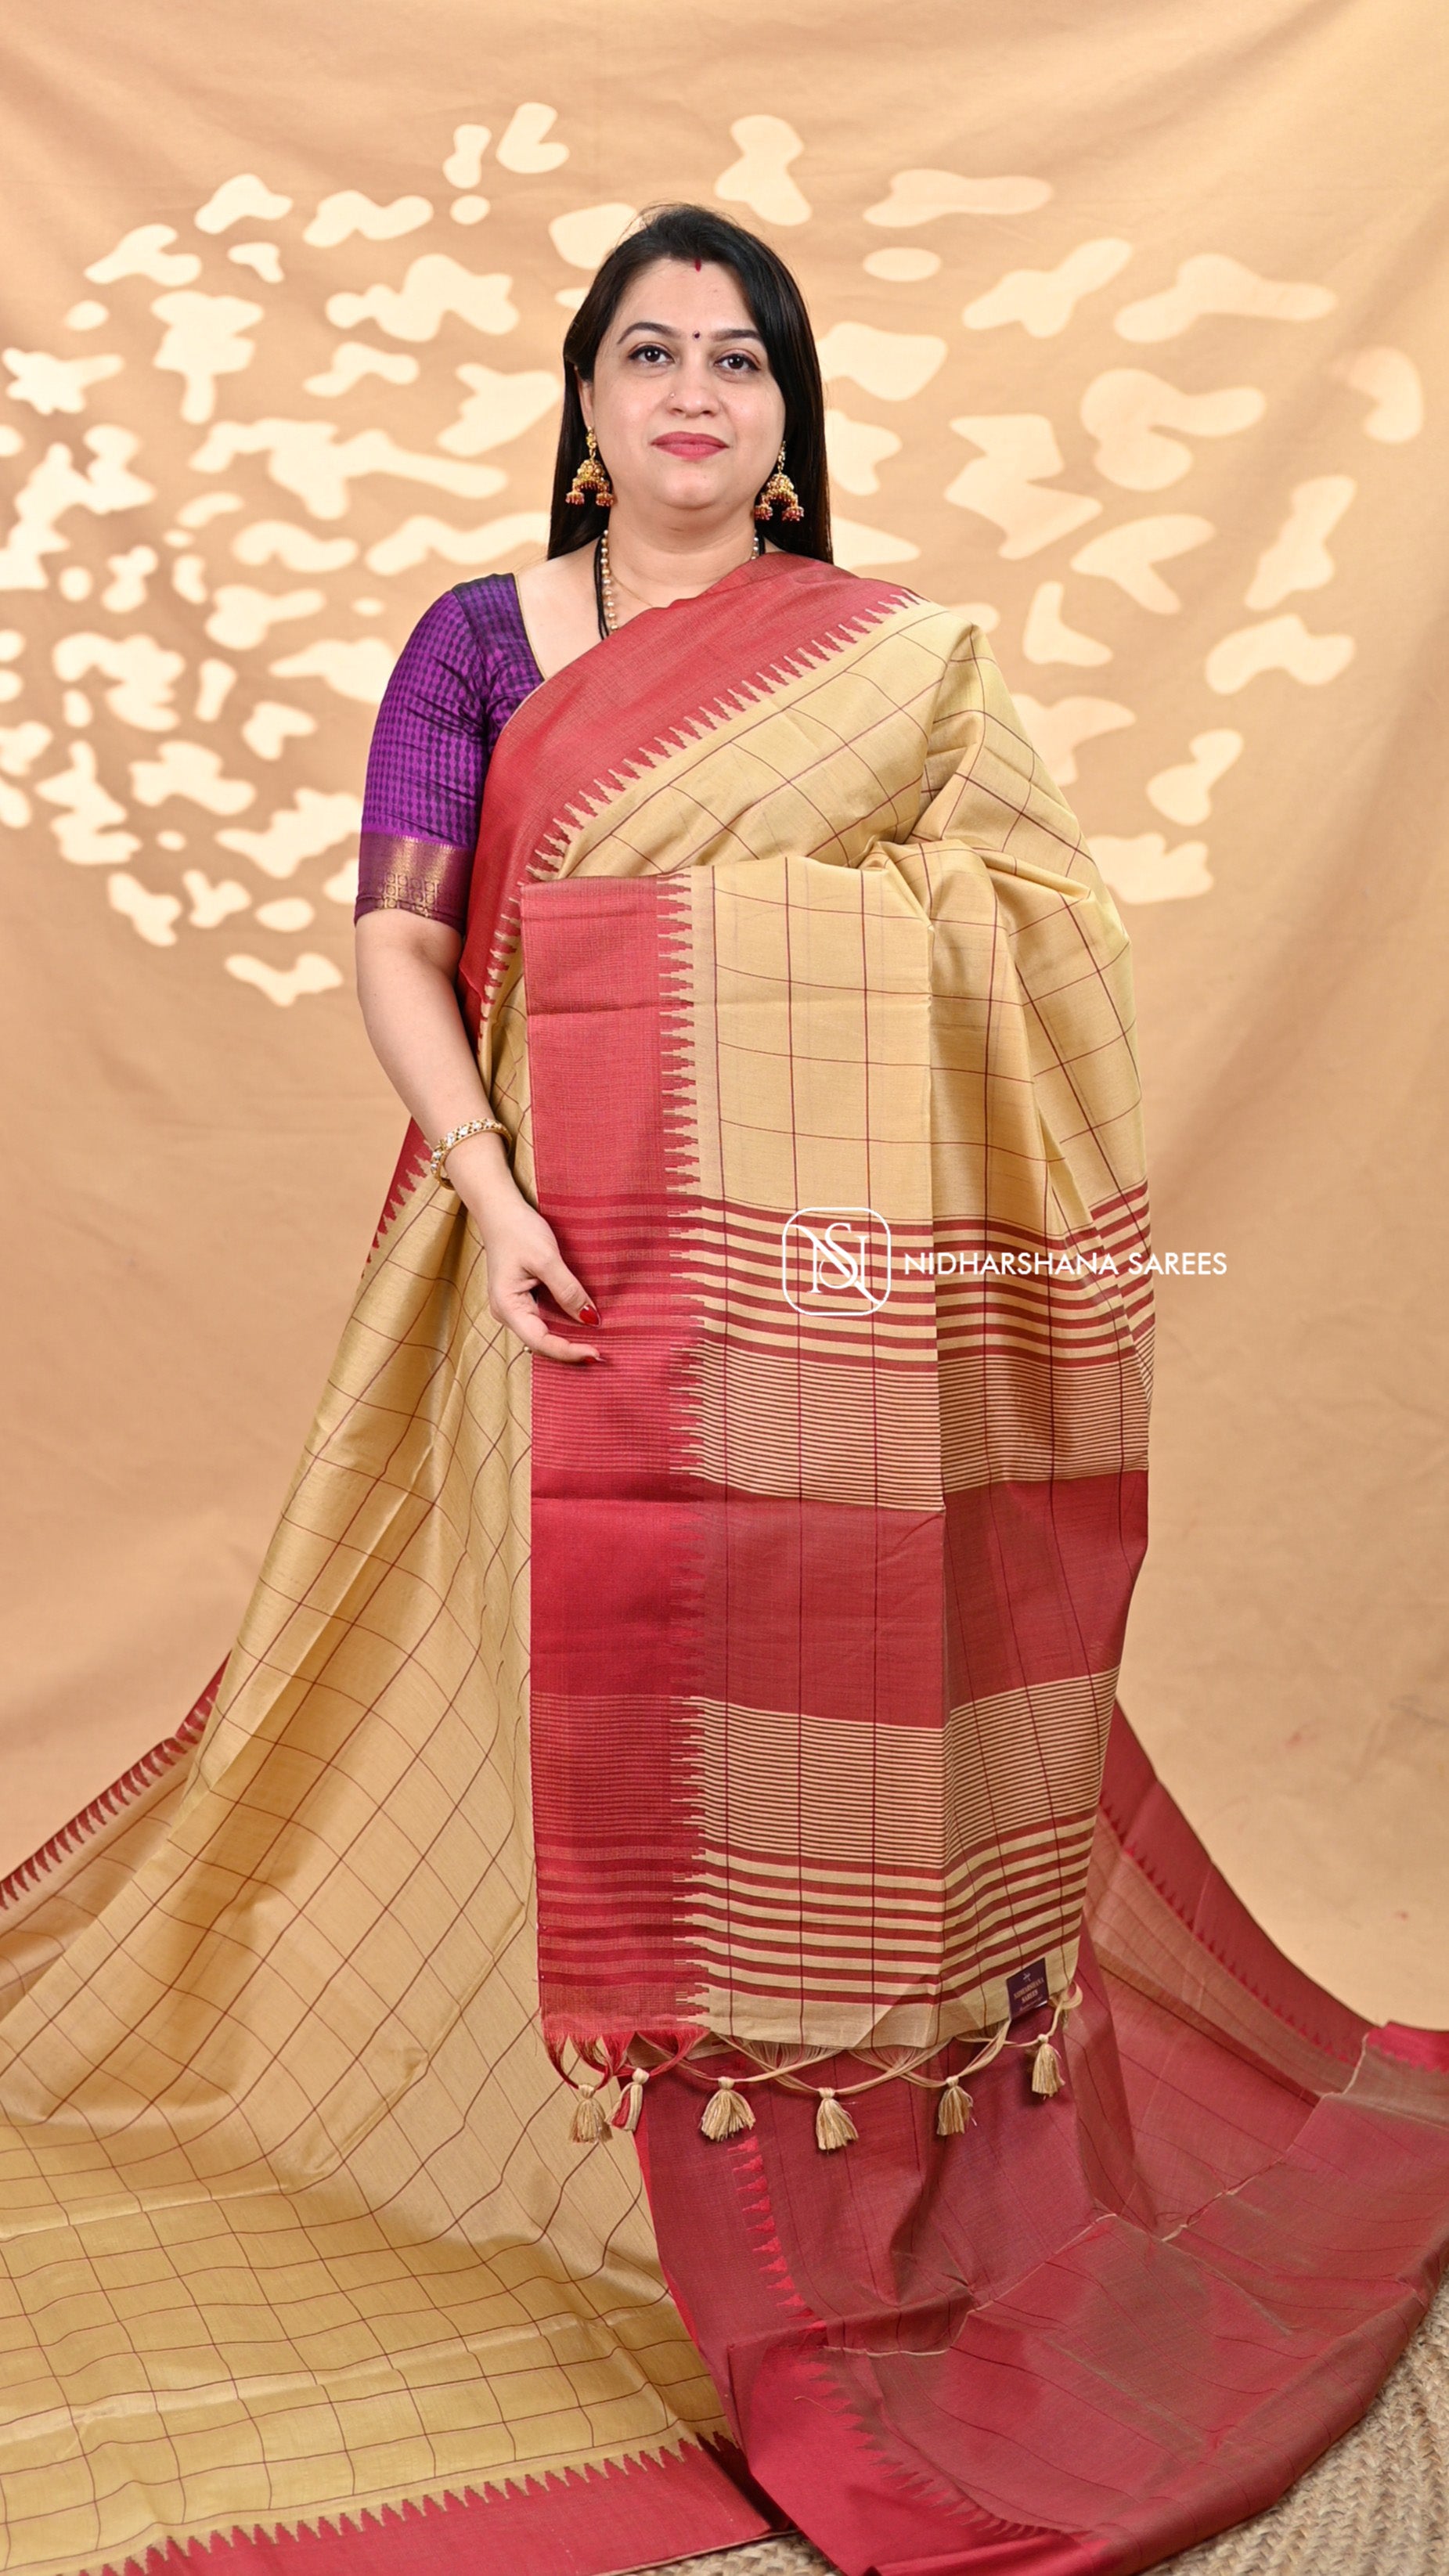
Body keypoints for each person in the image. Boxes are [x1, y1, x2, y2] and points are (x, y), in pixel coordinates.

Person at [0, 204, 1445, 2576]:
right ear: (584, 401)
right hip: (544, 1267)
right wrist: (490, 1180)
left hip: (826, 1304)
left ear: (786, 420)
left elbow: (1041, 932)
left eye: (740, 359)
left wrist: (724, 965)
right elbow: (396, 934)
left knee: (823, 1729)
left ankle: (844, 2220)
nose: (694, 392)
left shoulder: (890, 661)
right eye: (651, 353)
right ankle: (632, 2176)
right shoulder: (481, 639)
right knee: (577, 1705)